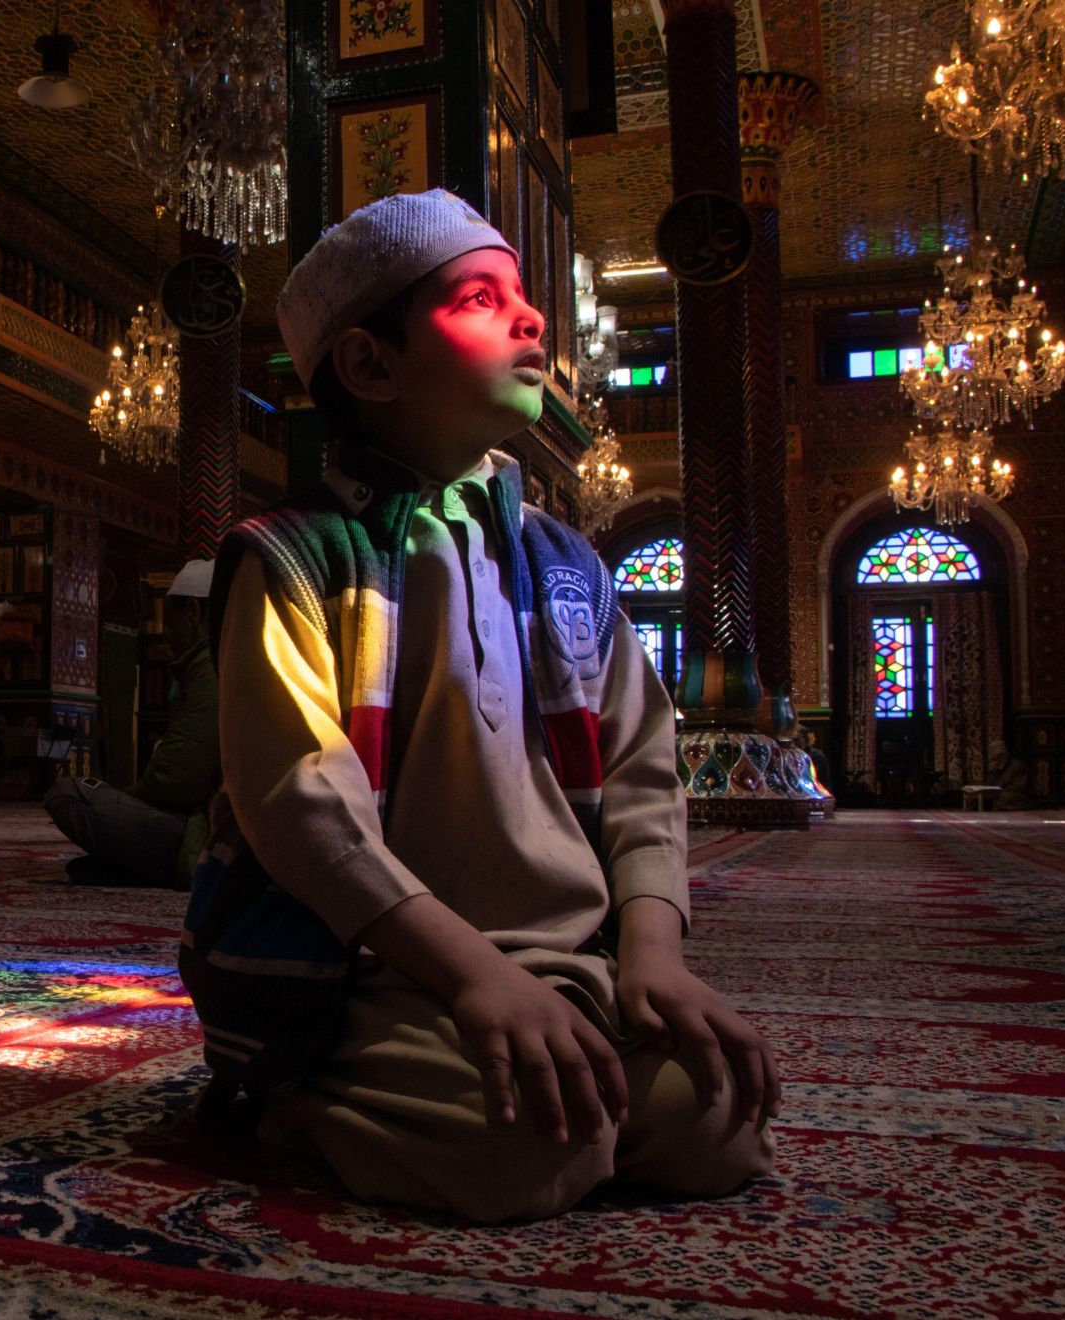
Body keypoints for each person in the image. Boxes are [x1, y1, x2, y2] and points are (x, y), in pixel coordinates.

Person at [180, 190, 778, 1224]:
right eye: (478, 297)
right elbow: (299, 805)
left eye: (524, 295)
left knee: (711, 1122)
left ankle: (540, 1054)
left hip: (569, 961)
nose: (530, 317)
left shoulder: (569, 564)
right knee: (523, 1154)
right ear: (370, 365)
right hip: (370, 968)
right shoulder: (293, 559)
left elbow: (642, 771)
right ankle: (291, 1096)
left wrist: (652, 956)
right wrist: (473, 980)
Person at [44, 559, 220, 888]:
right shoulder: (245, 655)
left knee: (69, 794)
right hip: (226, 830)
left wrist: (127, 799)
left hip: (207, 837)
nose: (168, 634)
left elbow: (177, 781)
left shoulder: (211, 666)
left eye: (171, 623)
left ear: (194, 612)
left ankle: (156, 868)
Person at [987, 738, 1034, 810]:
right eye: (993, 758)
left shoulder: (1018, 766)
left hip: (1019, 797)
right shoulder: (995, 769)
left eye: (998, 757)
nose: (996, 761)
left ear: (1005, 754)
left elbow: (1020, 787)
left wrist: (1001, 790)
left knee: (1007, 797)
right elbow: (990, 784)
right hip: (1000, 794)